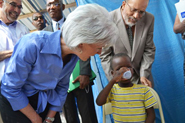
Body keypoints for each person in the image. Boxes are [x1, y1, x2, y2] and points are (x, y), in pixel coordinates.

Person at [0, 4, 118, 123]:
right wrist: (35, 118)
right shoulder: (32, 44)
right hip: (16, 103)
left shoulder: (73, 55)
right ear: (82, 42)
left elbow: (62, 87)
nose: (100, 52)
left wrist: (50, 118)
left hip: (44, 101)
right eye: (99, 47)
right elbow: (10, 88)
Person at [43, 0, 98, 122]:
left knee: (88, 113)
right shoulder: (45, 32)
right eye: (48, 4)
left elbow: (85, 46)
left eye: (55, 4)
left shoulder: (75, 24)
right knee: (70, 116)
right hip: (59, 81)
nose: (51, 7)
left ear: (63, 6)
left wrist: (85, 72)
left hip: (80, 78)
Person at [100, 0, 156, 87]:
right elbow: (105, 55)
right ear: (124, 4)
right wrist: (114, 80)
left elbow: (149, 49)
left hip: (142, 78)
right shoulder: (107, 20)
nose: (136, 16)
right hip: (119, 81)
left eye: (141, 12)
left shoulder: (149, 19)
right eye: (133, 10)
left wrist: (143, 75)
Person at [96, 53, 157, 123]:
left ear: (132, 71)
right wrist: (113, 81)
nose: (124, 71)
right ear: (113, 73)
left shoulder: (143, 90)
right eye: (119, 69)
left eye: (128, 67)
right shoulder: (112, 90)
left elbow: (151, 115)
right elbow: (99, 102)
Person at [0, 0, 29, 81]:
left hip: (21, 84)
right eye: (13, 5)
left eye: (19, 7)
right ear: (1, 3)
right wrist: (15, 52)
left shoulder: (24, 29)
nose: (17, 10)